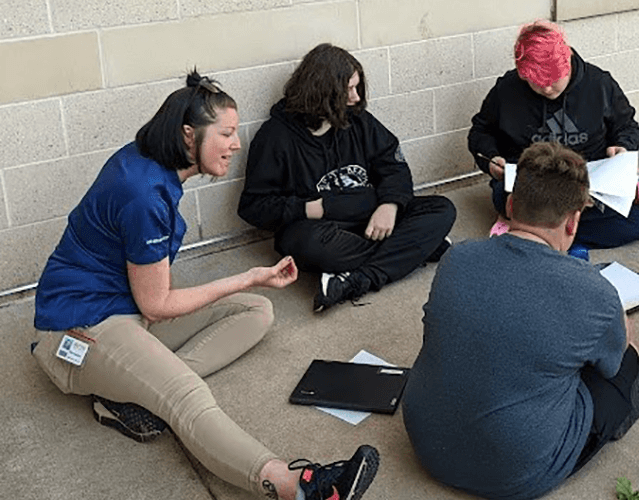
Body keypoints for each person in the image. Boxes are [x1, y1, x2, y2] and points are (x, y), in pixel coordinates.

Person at [30, 71, 379, 500]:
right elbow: (157, 304)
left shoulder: (151, 166)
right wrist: (247, 275)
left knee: (255, 310)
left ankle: (136, 395)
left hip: (127, 311)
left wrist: (252, 283)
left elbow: (150, 302)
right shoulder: (142, 193)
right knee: (187, 396)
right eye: (227, 134)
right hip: (78, 330)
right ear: (188, 135)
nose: (236, 144)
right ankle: (300, 487)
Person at [402, 142, 639, 500]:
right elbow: (610, 363)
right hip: (516, 473)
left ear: (510, 205)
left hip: (427, 445)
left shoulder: (457, 258)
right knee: (627, 365)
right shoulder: (594, 292)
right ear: (573, 221)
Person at [239, 44, 457, 312]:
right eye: (348, 90)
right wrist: (314, 208)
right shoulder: (275, 137)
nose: (355, 98)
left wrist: (390, 205)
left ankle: (357, 279)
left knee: (442, 209)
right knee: (307, 245)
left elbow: (393, 166)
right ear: (322, 93)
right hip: (321, 229)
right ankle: (413, 250)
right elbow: (253, 206)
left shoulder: (359, 120)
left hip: (372, 217)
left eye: (357, 88)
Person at [467, 20, 639, 250]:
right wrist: (491, 159)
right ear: (524, 75)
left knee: (637, 221)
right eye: (537, 85)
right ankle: (555, 230)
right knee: (503, 196)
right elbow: (480, 133)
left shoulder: (599, 84)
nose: (547, 89)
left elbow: (628, 127)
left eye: (552, 81)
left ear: (567, 62)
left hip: (590, 180)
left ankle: (526, 231)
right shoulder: (507, 89)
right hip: (532, 181)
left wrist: (622, 145)